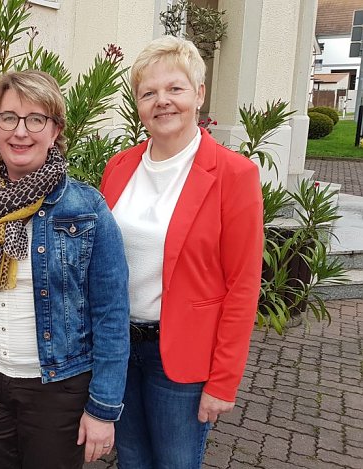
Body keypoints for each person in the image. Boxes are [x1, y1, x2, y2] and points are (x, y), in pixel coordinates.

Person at [0, 70, 130, 469]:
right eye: (8, 118)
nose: (21, 132)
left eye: (36, 119)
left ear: (55, 131)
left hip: (58, 387)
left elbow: (111, 315)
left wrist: (103, 408)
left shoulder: (87, 211)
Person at [100, 36, 263, 469]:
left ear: (199, 94)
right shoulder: (119, 167)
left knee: (175, 462)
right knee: (132, 458)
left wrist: (224, 381)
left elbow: (243, 287)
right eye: (148, 93)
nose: (162, 102)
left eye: (175, 89)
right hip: (119, 347)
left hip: (182, 358)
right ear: (137, 103)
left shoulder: (234, 175)